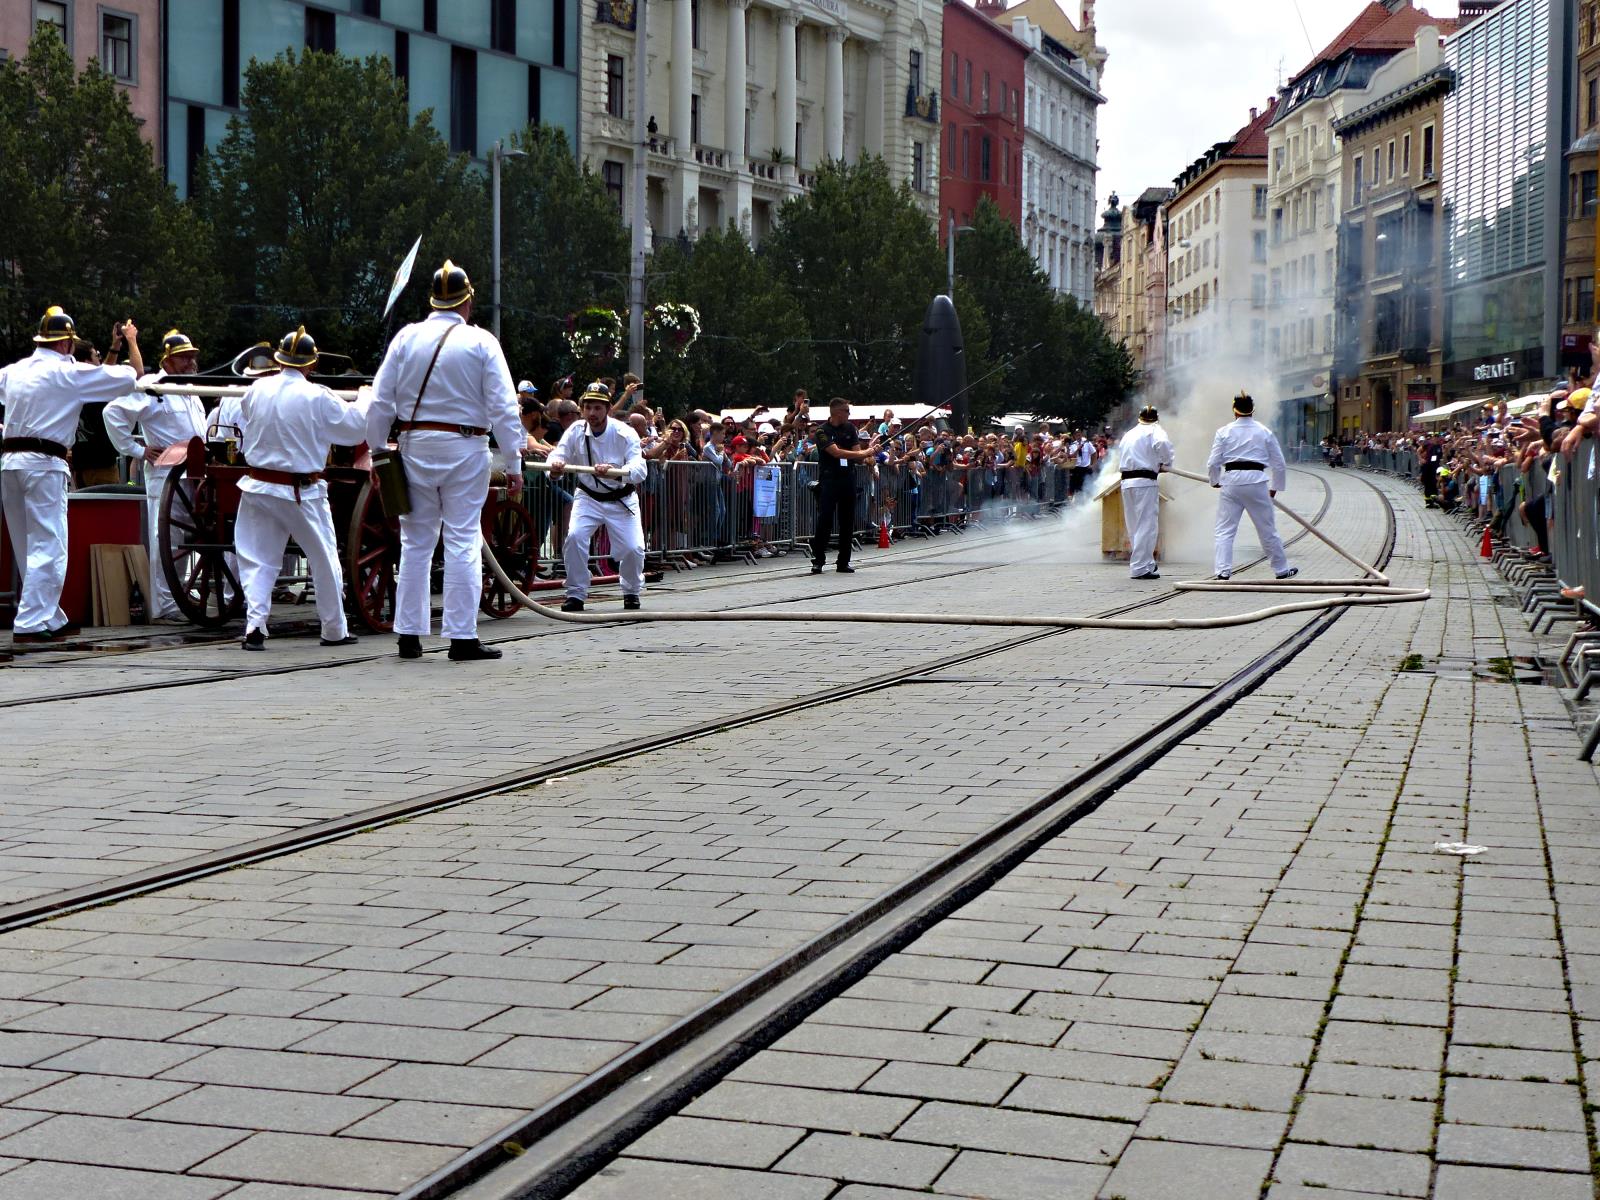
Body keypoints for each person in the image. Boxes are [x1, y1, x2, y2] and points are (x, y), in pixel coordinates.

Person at [367, 259, 524, 662]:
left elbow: (381, 401)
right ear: (467, 302)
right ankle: (461, 636)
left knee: (415, 542)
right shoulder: (481, 342)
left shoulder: (406, 338)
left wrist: (378, 453)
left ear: (433, 301)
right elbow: (505, 408)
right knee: (462, 538)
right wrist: (514, 463)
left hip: (413, 445)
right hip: (465, 446)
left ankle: (408, 633)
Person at [1, 307, 139, 642]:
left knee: (27, 544)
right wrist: (130, 343)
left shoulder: (14, 372)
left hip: (9, 463)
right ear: (66, 344)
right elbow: (130, 376)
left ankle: (49, 614)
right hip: (44, 463)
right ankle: (32, 621)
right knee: (49, 543)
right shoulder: (69, 373)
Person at [235, 327, 370, 651]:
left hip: (258, 486)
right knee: (324, 560)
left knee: (257, 560)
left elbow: (246, 418)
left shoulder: (256, 389)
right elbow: (353, 431)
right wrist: (365, 399)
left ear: (280, 360)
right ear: (311, 365)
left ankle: (255, 626)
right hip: (300, 491)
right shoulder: (318, 395)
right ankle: (334, 630)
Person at [103, 328, 209, 622]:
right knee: (168, 538)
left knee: (184, 540)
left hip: (194, 476)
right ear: (167, 360)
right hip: (166, 473)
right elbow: (113, 413)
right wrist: (137, 450)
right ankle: (166, 604)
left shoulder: (188, 389)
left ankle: (178, 595)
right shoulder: (154, 385)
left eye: (191, 356)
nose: (190, 362)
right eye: (183, 357)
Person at [547, 382, 647, 611]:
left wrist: (616, 471)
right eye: (588, 407)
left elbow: (640, 469)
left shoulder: (624, 432)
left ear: (608, 409)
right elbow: (557, 455)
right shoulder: (575, 430)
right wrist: (555, 467)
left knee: (633, 549)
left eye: (598, 408)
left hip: (621, 499)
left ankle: (631, 590)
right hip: (588, 497)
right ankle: (576, 593)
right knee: (574, 537)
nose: (592, 413)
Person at [1206, 392, 1296, 581]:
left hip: (1231, 481)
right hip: (1257, 481)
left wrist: (1215, 481)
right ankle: (1281, 569)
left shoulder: (1223, 432)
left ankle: (1222, 571)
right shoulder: (1264, 431)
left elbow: (1213, 463)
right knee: (1267, 529)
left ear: (1234, 411)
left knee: (1224, 530)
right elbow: (1279, 463)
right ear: (1252, 410)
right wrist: (1275, 487)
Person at [810, 396, 880, 574]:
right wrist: (865, 452)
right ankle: (818, 559)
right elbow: (836, 452)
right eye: (847, 411)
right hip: (829, 480)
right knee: (825, 519)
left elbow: (857, 455)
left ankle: (843, 561)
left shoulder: (850, 428)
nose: (849, 414)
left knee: (847, 521)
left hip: (848, 478)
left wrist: (869, 453)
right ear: (837, 412)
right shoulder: (822, 431)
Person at [1117, 405, 1174, 580]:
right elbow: (1163, 444)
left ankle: (1146, 562)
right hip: (1145, 482)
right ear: (1156, 419)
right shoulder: (1155, 430)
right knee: (1147, 526)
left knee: (1135, 526)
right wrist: (1166, 462)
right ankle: (1140, 567)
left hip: (1127, 482)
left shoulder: (1130, 433)